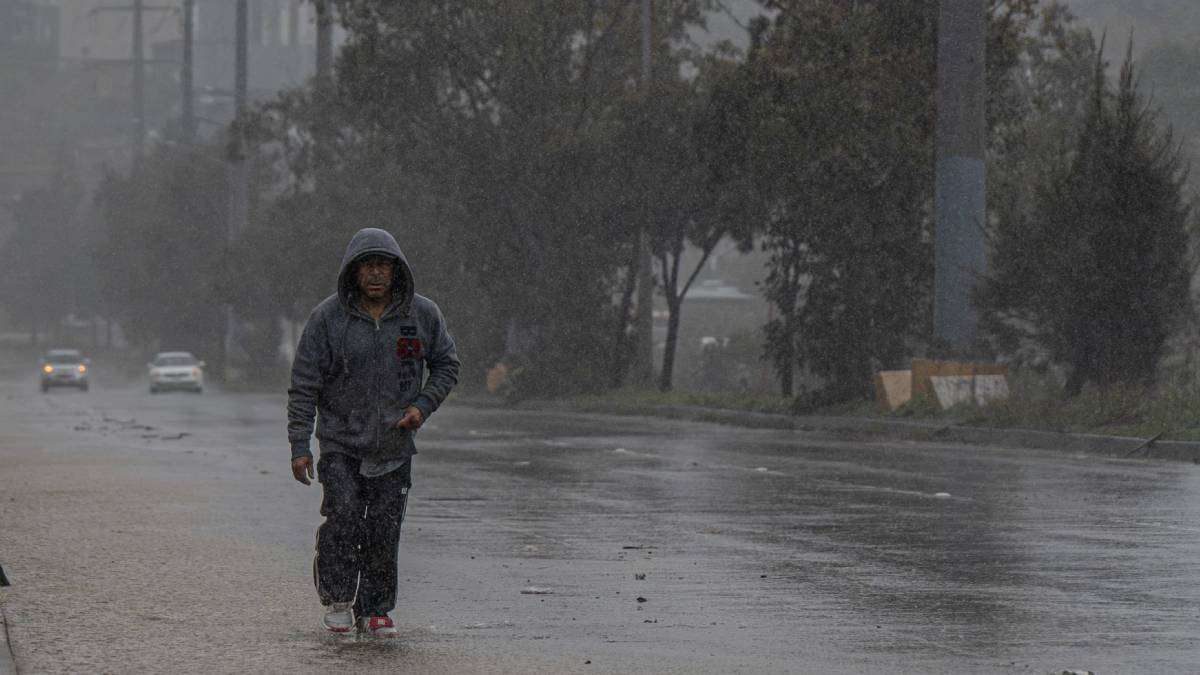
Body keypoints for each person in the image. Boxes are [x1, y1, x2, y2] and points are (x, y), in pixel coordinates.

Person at [287, 227, 460, 637]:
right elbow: (304, 384)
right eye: (368, 266)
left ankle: (377, 608)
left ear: (397, 272)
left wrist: (422, 405)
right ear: (354, 273)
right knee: (344, 519)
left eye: (384, 266)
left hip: (395, 446)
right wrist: (300, 445)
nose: (377, 274)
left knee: (385, 529)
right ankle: (338, 598)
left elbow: (447, 365)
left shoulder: (422, 315)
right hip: (340, 443)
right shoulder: (327, 319)